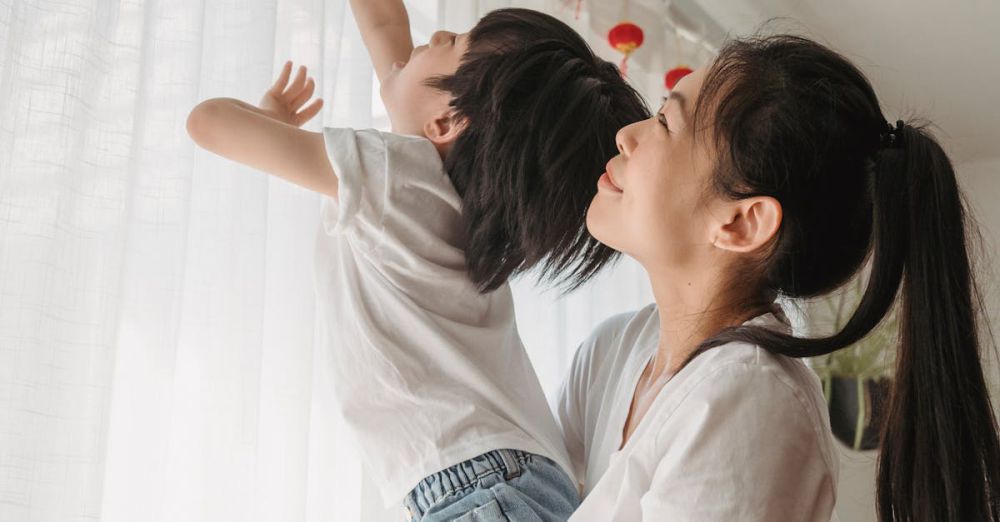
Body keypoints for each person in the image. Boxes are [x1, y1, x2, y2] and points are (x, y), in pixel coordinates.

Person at [185, 2, 649, 520]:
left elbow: (208, 122)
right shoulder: (441, 196)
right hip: (505, 478)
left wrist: (267, 121)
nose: (441, 32)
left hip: (481, 486)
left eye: (454, 42)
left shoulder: (394, 176)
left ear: (447, 121)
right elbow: (388, 33)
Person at [558, 34, 1000, 520]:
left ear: (742, 222)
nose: (627, 134)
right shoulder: (614, 349)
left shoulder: (749, 401)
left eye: (666, 122)